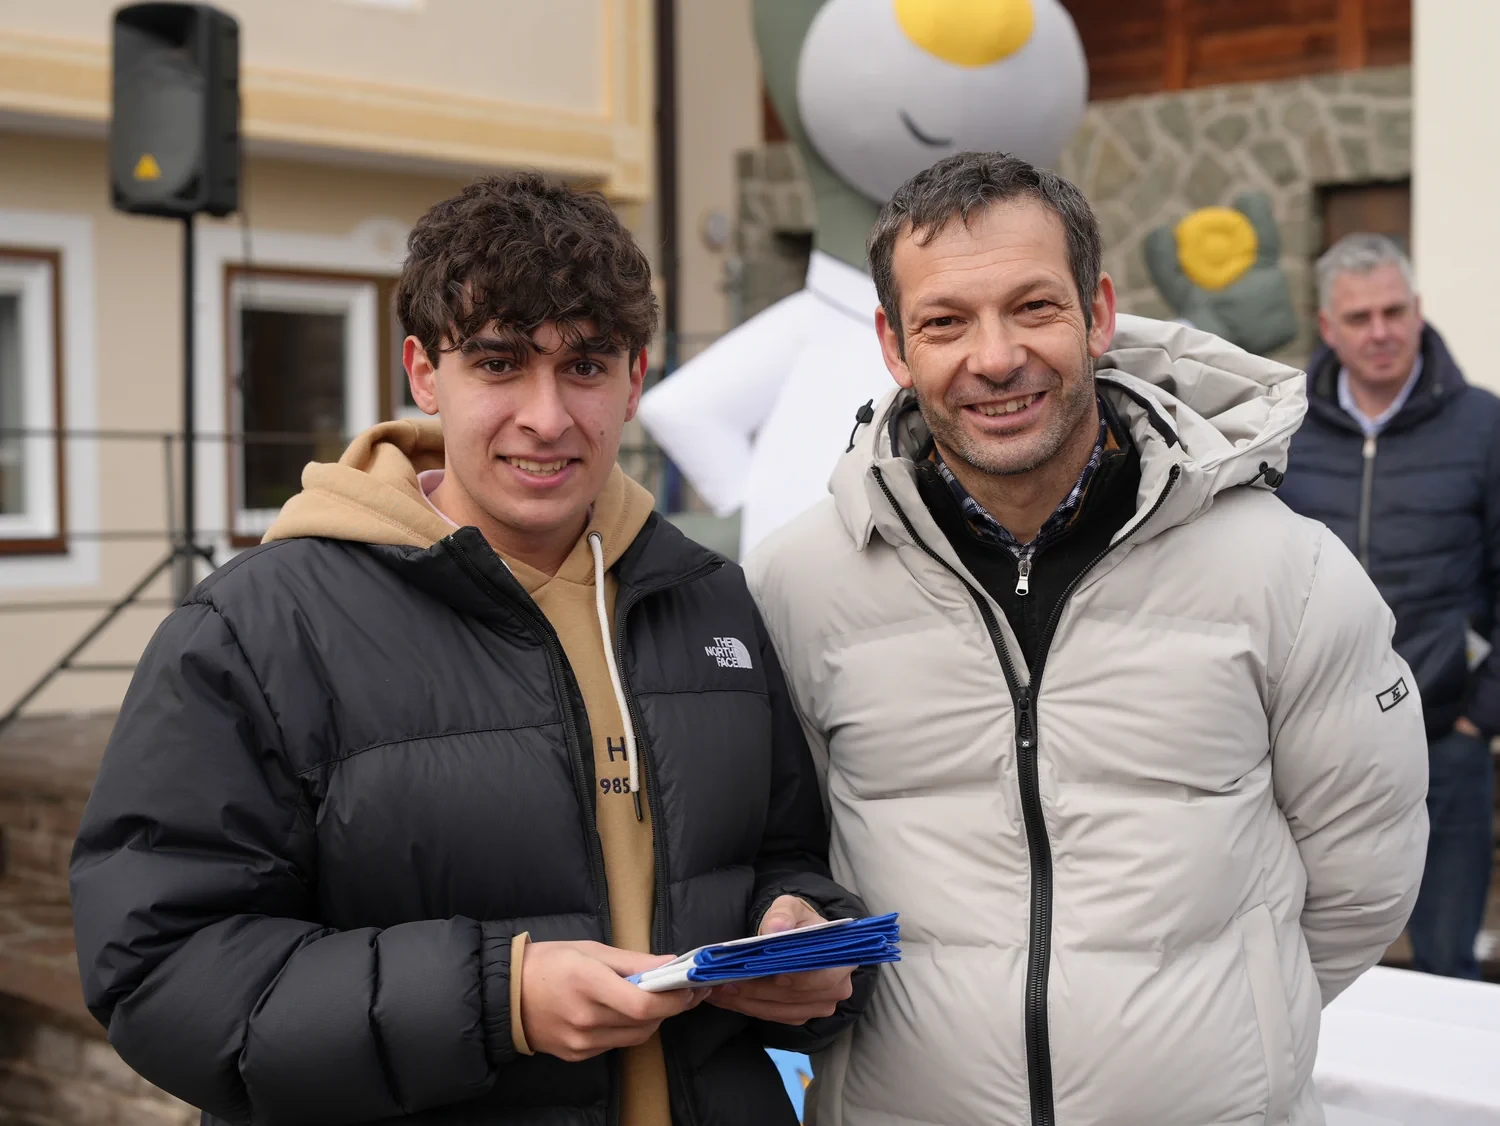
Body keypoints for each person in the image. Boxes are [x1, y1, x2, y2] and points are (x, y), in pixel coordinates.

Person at [69, 173, 871, 1126]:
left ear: (634, 381)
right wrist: (499, 997)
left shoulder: (709, 599)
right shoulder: (257, 628)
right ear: (423, 373)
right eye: (498, 364)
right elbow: (162, 970)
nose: (547, 416)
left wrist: (804, 934)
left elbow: (781, 853)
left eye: (585, 366)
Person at [746, 152, 1429, 1126]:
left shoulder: (1289, 571)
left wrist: (1227, 1023)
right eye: (945, 322)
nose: (995, 357)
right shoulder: (798, 583)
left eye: (1033, 307)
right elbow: (783, 854)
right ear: (893, 347)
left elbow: (1366, 873)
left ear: (1098, 313)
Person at [1278, 233, 1499, 980]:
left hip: (1447, 741)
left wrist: (1478, 720)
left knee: (1446, 968)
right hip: (1316, 751)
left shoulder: (1483, 426)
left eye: (1393, 312)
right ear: (1327, 327)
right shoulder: (1286, 430)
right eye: (1359, 317)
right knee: (1316, 969)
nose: (1380, 332)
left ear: (1418, 310)